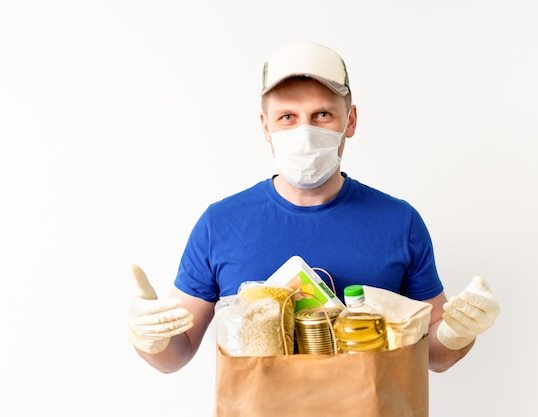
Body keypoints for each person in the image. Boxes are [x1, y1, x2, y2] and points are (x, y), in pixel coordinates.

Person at [127, 41, 500, 374]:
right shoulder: (220, 224)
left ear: (350, 121)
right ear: (265, 126)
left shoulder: (399, 222)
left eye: (322, 114)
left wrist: (456, 333)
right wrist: (150, 337)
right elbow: (177, 354)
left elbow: (435, 356)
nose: (304, 132)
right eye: (287, 117)